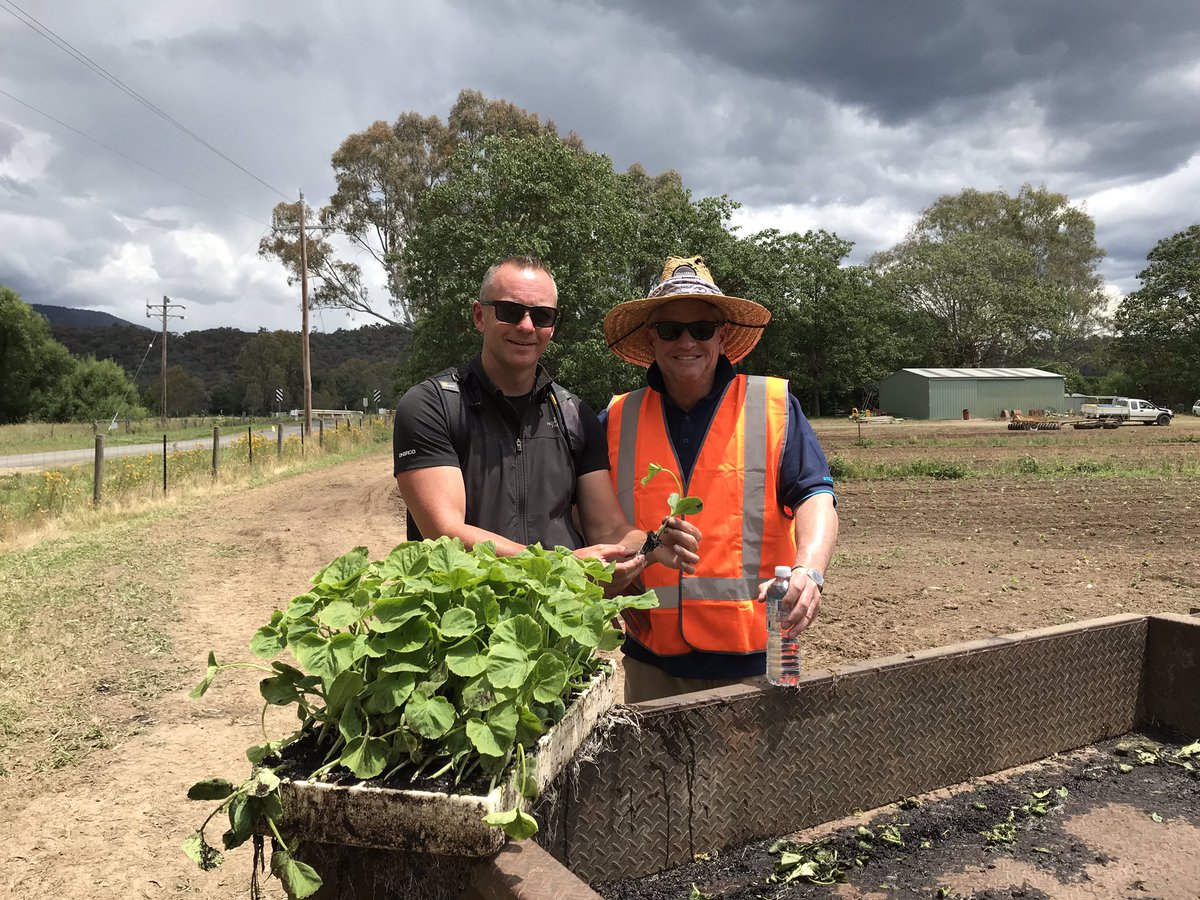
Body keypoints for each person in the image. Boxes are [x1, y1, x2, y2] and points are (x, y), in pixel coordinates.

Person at [602, 255, 839, 702]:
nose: (686, 340)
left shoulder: (772, 403)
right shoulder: (615, 418)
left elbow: (815, 494)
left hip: (760, 655)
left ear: (723, 335)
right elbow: (593, 523)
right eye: (671, 329)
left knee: (759, 775)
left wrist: (810, 570)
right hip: (652, 661)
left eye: (702, 328)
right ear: (651, 338)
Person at [393, 255, 700, 590]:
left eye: (542, 316)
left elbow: (608, 529)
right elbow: (445, 531)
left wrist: (653, 545)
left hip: (555, 630)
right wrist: (559, 567)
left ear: (552, 326)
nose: (526, 326)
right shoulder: (432, 406)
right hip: (463, 628)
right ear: (480, 316)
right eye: (510, 312)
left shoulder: (575, 416)